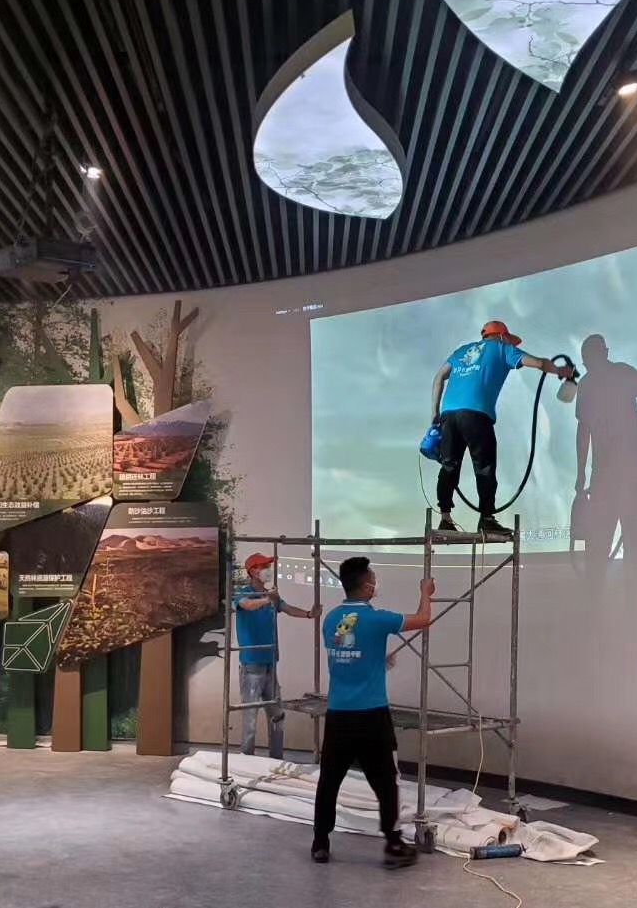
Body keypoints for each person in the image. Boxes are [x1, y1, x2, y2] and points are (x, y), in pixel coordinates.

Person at [311, 557, 435, 868]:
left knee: (329, 780)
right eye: (373, 579)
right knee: (385, 781)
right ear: (366, 585)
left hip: (338, 713)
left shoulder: (333, 620)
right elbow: (423, 619)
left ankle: (320, 843)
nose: (375, 584)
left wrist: (379, 662)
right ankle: (393, 845)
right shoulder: (377, 620)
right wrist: (426, 592)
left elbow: (349, 655)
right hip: (371, 714)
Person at [431, 320, 575, 538]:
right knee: (485, 466)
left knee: (449, 465)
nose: (510, 342)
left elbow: (439, 376)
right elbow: (537, 362)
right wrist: (561, 370)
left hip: (448, 414)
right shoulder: (502, 348)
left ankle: (445, 519)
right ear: (500, 336)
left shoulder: (461, 352)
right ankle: (487, 519)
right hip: (476, 414)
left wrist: (435, 414)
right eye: (508, 338)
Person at [573, 333, 637, 571]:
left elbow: (582, 433)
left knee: (601, 545)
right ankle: (630, 606)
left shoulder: (588, 384)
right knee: (630, 541)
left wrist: (581, 476)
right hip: (627, 473)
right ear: (604, 353)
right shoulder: (619, 373)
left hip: (611, 475)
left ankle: (594, 604)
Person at [233, 552, 319, 759]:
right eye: (264, 566)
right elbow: (247, 605)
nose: (268, 570)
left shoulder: (273, 596)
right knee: (250, 719)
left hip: (271, 664)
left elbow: (287, 609)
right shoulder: (242, 593)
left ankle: (276, 759)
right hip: (251, 665)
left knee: (277, 716)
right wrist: (266, 599)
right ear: (253, 571)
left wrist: (309, 614)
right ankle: (246, 761)